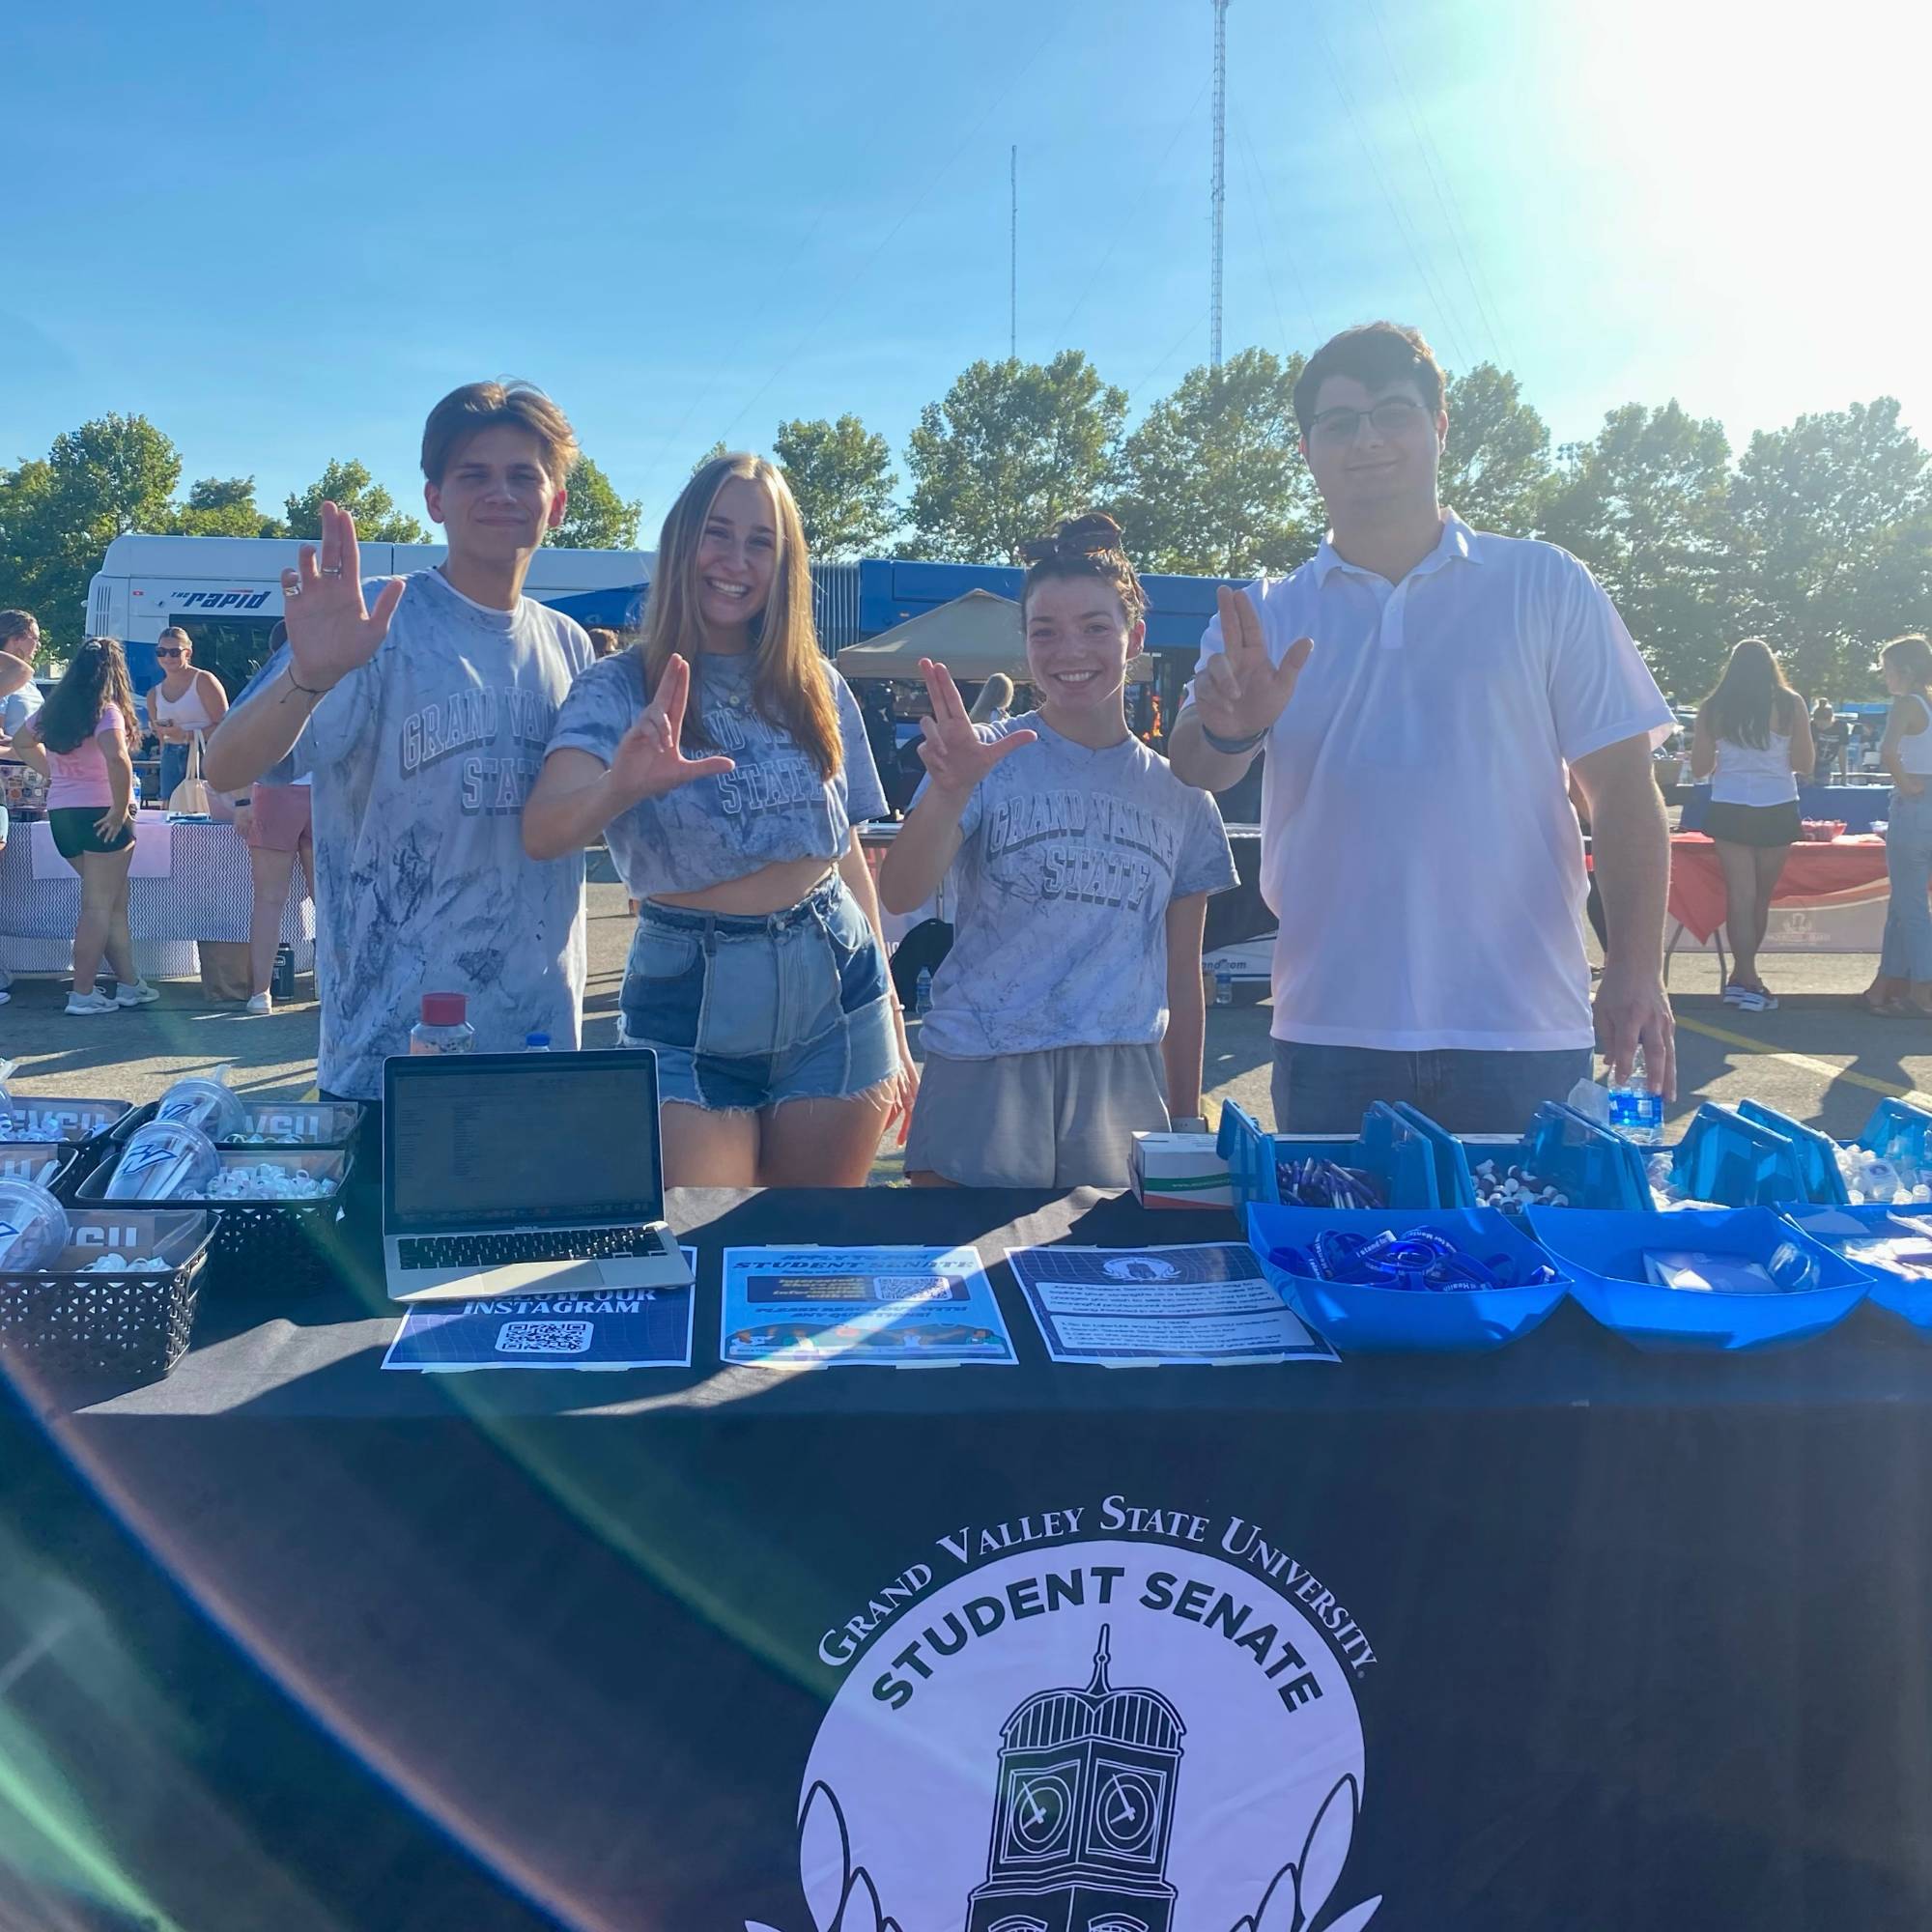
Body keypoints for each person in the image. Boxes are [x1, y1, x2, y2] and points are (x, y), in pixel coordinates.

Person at [1169, 321, 1675, 1133]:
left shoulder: (1543, 582)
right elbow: (1193, 768)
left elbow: (1621, 789)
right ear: (1306, 450)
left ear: (1439, 427)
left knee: (1532, 1260)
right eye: (1338, 423)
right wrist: (1230, 732)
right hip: (1330, 1028)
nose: (1366, 440)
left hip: (1523, 1026)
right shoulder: (1267, 608)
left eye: (1392, 412)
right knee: (1333, 1262)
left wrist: (1636, 967)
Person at [525, 453, 912, 1187]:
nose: (736, 561)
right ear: (681, 544)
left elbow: (845, 851)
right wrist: (621, 785)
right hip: (688, 1001)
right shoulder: (619, 687)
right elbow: (544, 832)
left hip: (838, 990)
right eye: (717, 533)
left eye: (760, 542)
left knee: (808, 1256)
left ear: (785, 562)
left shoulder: (816, 684)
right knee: (704, 1251)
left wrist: (892, 1009)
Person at [204, 381, 595, 1107]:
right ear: (435, 499)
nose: (499, 493)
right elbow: (225, 763)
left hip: (538, 1046)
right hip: (388, 1056)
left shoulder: (569, 646)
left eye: (523, 476)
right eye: (473, 474)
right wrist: (309, 675)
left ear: (558, 502)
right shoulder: (376, 622)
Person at [879, 513, 1236, 1188]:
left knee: (1108, 1278)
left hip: (1122, 1079)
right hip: (983, 1068)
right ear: (1025, 643)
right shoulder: (983, 761)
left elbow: (1183, 981)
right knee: (961, 1277)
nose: (1070, 649)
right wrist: (949, 792)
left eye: (1095, 627)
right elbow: (899, 892)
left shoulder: (1185, 796)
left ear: (1134, 638)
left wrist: (1186, 1123)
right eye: (1045, 630)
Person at [9, 639, 159, 1015]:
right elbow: (118, 759)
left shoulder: (55, 709)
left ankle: (129, 984)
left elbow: (23, 741)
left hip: (63, 813)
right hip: (100, 812)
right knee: (98, 907)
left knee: (112, 905)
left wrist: (54, 774)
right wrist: (119, 806)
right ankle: (83, 993)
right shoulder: (106, 711)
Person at [1689, 640, 1813, 1012]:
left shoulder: (1713, 708)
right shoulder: (1791, 703)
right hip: (1776, 804)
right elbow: (1804, 762)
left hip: (1730, 804)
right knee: (1760, 896)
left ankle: (1744, 978)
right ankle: (1748, 978)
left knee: (1740, 895)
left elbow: (1698, 768)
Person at [226, 619, 312, 1015]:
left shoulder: (261, 687)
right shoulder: (330, 681)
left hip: (273, 792)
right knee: (327, 901)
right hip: (323, 793)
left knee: (269, 900)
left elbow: (239, 748)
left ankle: (261, 992)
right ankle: (332, 986)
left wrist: (242, 803)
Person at [1863, 634, 1932, 1017]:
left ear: (1904, 671)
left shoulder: (1906, 704)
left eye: (1887, 669)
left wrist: (1906, 785)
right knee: (1903, 905)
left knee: (1911, 906)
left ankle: (1923, 989)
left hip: (1914, 807)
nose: (1885, 677)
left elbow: (1888, 751)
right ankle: (1886, 984)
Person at [146, 627, 229, 802]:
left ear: (187, 652)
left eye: (174, 652)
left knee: (206, 809)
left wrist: (186, 735)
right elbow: (161, 738)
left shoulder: (204, 680)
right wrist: (159, 730)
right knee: (170, 810)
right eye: (161, 652)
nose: (167, 658)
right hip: (170, 755)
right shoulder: (154, 693)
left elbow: (224, 726)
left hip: (204, 753)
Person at [1811, 698, 1849, 784]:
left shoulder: (1841, 728)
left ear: (1830, 720)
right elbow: (1812, 750)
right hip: (1811, 762)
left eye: (1822, 724)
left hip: (1826, 763)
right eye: (1817, 724)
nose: (1819, 727)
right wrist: (1810, 774)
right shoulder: (1812, 726)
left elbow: (1842, 752)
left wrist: (1844, 775)